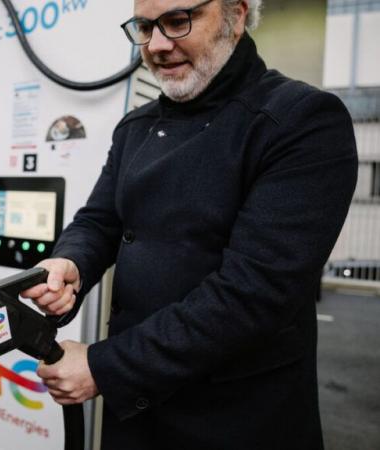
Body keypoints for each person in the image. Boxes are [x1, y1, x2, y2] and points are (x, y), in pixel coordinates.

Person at [20, 0, 358, 448]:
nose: (157, 45)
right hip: (137, 415)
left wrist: (107, 367)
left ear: (236, 16)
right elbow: (99, 220)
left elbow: (253, 293)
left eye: (178, 21)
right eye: (144, 26)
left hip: (237, 418)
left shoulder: (300, 121)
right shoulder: (135, 127)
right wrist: (71, 262)